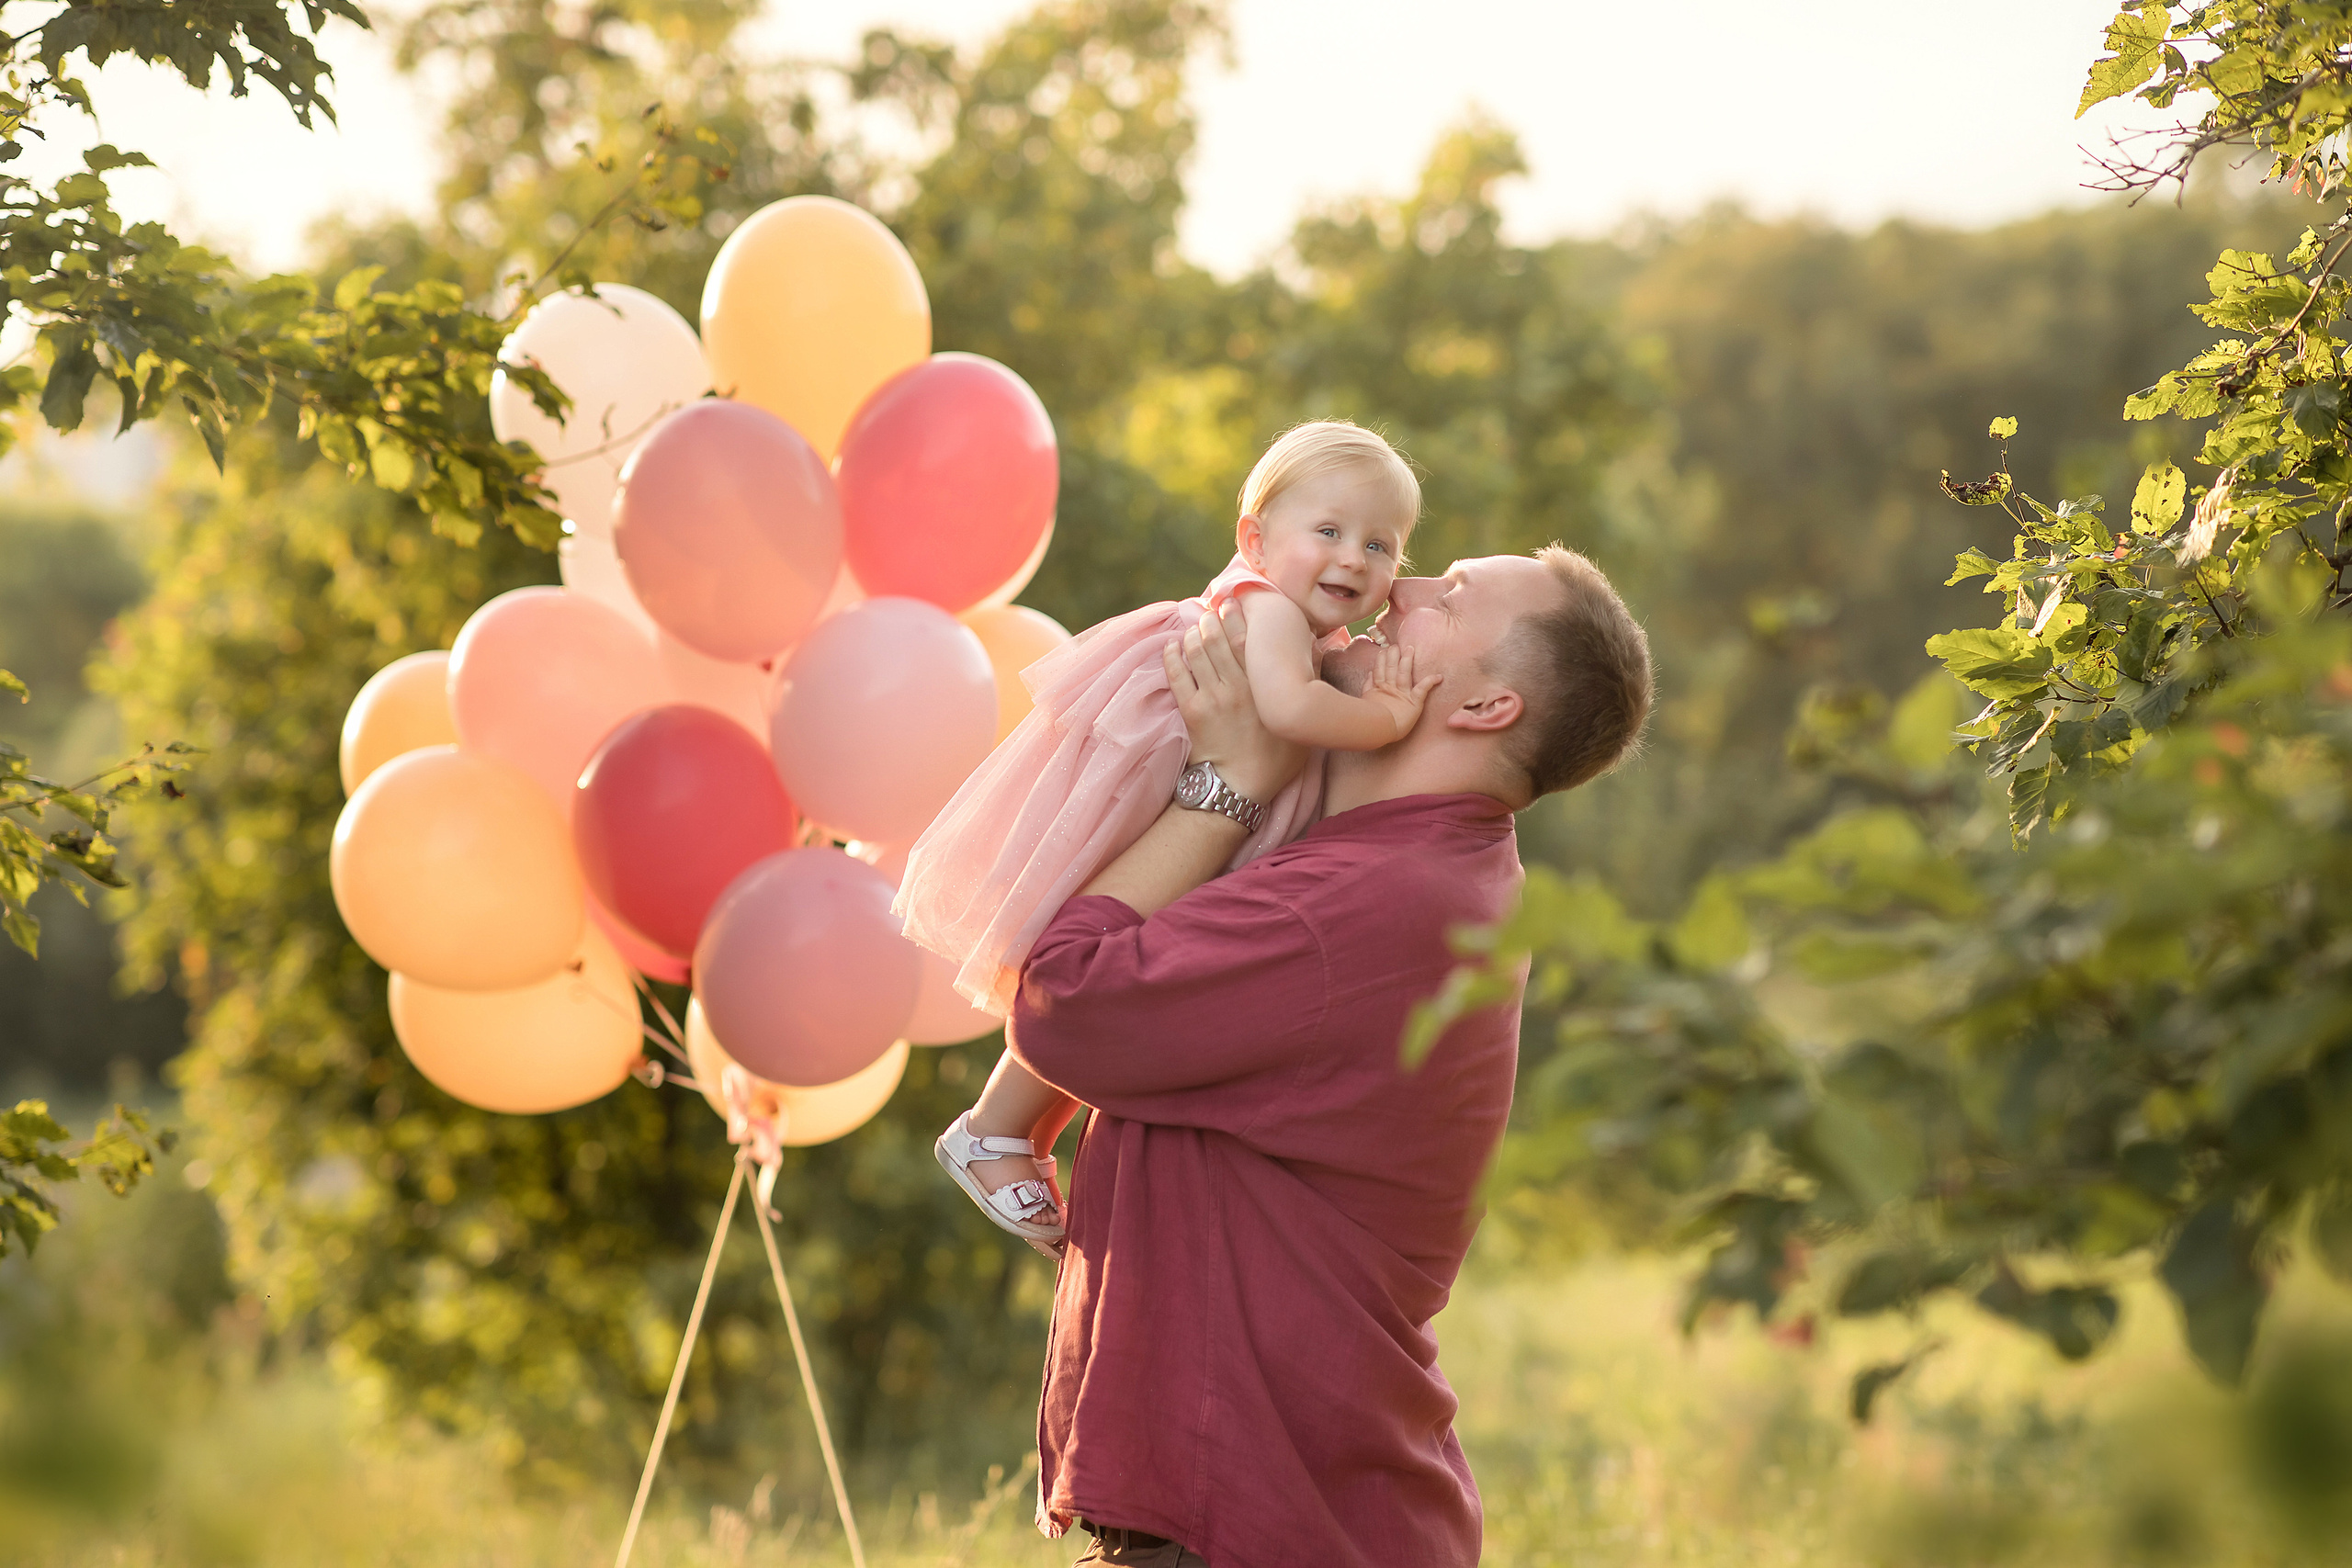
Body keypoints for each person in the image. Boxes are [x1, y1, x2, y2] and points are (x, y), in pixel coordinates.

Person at [1005, 545, 1653, 1566]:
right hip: (1285, 1514)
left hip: (1258, 1517)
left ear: (1485, 708)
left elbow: (1063, 1006)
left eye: (1452, 597)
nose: (1402, 587)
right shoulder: (1416, 866)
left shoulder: (1365, 901)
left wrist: (1225, 785)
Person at [898, 421, 1440, 1256]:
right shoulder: (1269, 613)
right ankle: (994, 1128)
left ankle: (1017, 1134)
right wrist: (1390, 716)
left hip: (1172, 770)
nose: (1355, 559)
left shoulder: (1295, 620)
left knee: (1132, 970)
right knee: (1118, 952)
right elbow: (1294, 712)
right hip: (1162, 779)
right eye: (1328, 532)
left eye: (1381, 544)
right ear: (1255, 540)